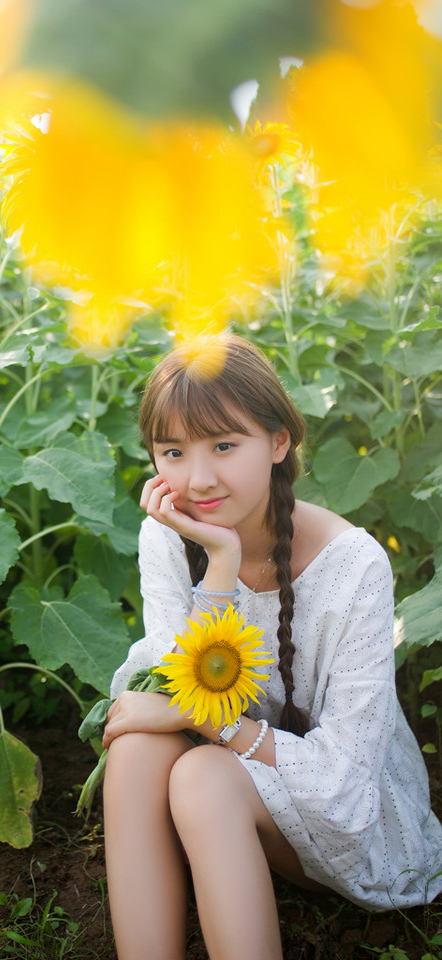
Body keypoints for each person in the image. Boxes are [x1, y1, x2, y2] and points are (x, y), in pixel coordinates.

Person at [102, 334, 442, 960]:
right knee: (135, 756)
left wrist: (203, 718)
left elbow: (344, 783)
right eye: (173, 451)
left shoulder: (354, 565)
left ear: (279, 441)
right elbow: (184, 680)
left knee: (203, 777)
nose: (198, 478)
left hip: (347, 813)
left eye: (225, 445)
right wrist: (222, 563)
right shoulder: (169, 535)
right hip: (239, 789)